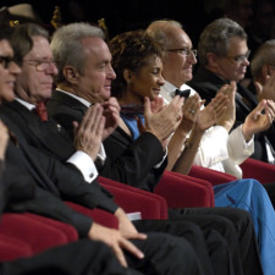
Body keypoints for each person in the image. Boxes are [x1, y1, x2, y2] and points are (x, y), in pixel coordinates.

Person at [1, 21, 248, 275]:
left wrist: (174, 133)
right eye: (102, 66)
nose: (113, 74)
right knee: (188, 240)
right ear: (72, 74)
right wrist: (155, 136)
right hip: (74, 223)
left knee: (220, 226)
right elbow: (110, 178)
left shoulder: (77, 113)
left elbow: (61, 175)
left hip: (111, 210)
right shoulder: (63, 114)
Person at [189, 17, 275, 165]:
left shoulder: (233, 83)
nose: (246, 63)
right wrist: (265, 105)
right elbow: (231, 141)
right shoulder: (202, 92)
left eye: (247, 55)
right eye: (239, 58)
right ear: (213, 60)